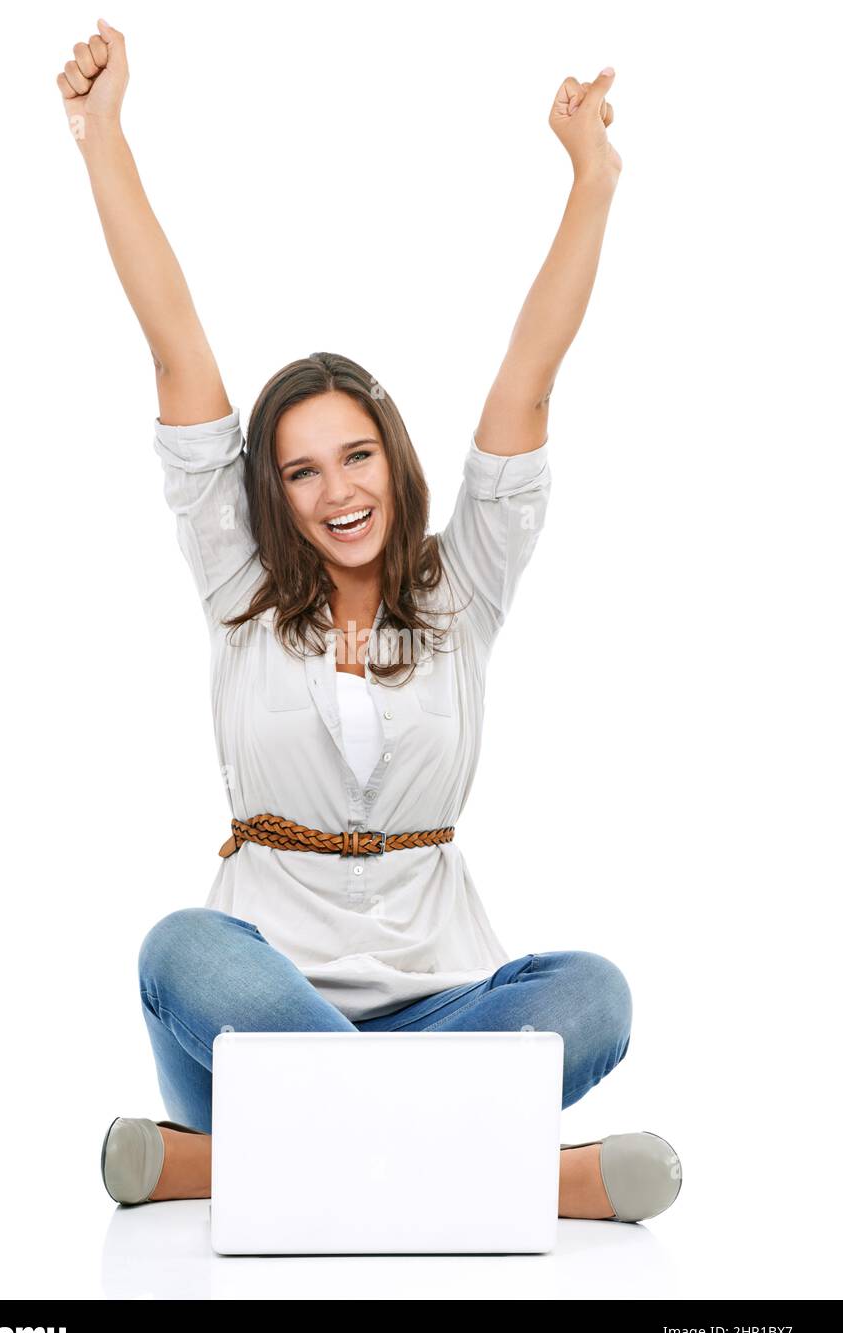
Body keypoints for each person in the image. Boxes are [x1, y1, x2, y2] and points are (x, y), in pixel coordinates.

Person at [58, 21, 682, 1224]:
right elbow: (175, 345)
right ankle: (510, 1175)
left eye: (356, 457)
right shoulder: (240, 586)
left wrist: (591, 177)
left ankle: (229, 1164)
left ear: (394, 463)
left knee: (593, 994)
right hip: (256, 1001)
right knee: (177, 947)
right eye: (299, 473)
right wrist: (102, 140)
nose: (336, 493)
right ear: (268, 497)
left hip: (441, 1003)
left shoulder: (464, 588)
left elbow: (528, 381)